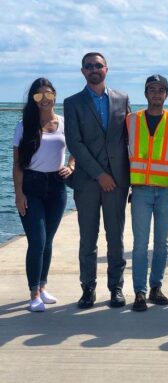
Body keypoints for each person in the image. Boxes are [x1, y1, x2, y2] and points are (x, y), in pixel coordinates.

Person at [64, 52, 130, 309]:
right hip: (88, 182)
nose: (94, 69)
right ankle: (88, 288)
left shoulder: (122, 99)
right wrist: (99, 174)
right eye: (89, 66)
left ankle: (116, 288)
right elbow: (75, 143)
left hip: (117, 181)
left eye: (98, 66)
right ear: (82, 71)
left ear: (106, 69)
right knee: (88, 238)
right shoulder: (73, 103)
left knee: (116, 237)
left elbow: (128, 140)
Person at [12, 78, 74, 312]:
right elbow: (17, 164)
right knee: (37, 240)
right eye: (38, 96)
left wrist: (72, 165)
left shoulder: (64, 123)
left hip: (57, 186)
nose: (44, 99)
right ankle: (33, 292)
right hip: (32, 185)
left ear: (54, 96)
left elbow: (75, 150)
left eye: (48, 94)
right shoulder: (24, 125)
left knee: (48, 241)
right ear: (33, 100)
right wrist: (18, 194)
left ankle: (43, 286)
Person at [126, 75, 168, 312]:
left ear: (167, 94)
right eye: (152, 90)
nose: (156, 94)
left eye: (161, 90)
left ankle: (156, 287)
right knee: (139, 244)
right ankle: (139, 292)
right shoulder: (131, 120)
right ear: (145, 94)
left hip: (167, 191)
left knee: (162, 244)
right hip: (140, 191)